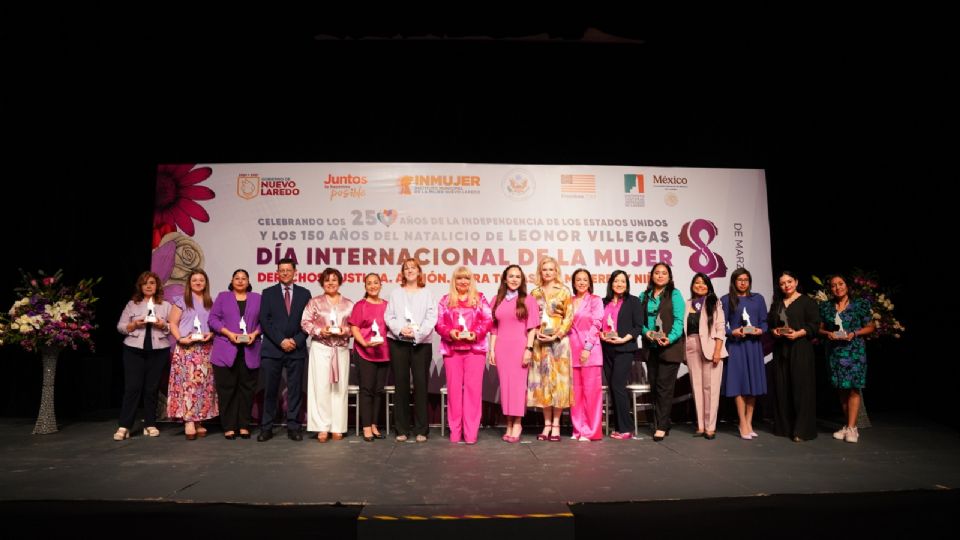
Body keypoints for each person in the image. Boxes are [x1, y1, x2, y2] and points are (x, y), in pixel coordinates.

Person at [435, 266, 493, 444]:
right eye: (459, 278)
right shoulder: (445, 300)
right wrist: (450, 333)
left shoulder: (480, 298)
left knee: (473, 392)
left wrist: (475, 333)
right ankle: (455, 431)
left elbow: (488, 320)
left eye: (466, 278)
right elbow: (439, 324)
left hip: (475, 351)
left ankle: (470, 433)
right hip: (452, 351)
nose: (463, 282)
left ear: (471, 281)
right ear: (454, 281)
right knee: (453, 392)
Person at [114, 271, 173, 440]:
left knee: (151, 388)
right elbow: (120, 327)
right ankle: (124, 426)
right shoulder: (132, 304)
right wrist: (133, 325)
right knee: (132, 387)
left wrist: (162, 325)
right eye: (145, 283)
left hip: (159, 350)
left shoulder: (166, 305)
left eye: (152, 283)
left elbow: (172, 327)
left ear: (157, 286)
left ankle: (150, 424)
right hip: (133, 350)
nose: (148, 286)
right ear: (140, 286)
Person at [257, 258, 311, 442]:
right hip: (273, 349)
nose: (285, 273)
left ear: (295, 272)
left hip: (296, 349)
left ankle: (294, 427)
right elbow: (265, 321)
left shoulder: (304, 293)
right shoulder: (268, 293)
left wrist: (296, 340)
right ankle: (266, 427)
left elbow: (309, 321)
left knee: (295, 390)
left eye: (288, 270)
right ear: (277, 273)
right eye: (282, 270)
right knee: (270, 390)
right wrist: (281, 340)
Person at [384, 258, 437, 442]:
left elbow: (431, 317)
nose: (410, 270)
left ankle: (422, 429)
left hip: (421, 343)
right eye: (406, 268)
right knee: (401, 385)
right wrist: (401, 330)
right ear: (403, 273)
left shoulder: (427, 293)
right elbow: (389, 316)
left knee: (421, 384)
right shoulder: (395, 293)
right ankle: (402, 429)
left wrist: (417, 333)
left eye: (413, 268)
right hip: (398, 342)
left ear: (419, 272)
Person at [817, 274, 875, 443]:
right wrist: (828, 334)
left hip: (854, 351)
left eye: (840, 284)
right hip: (835, 352)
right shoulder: (826, 306)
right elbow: (819, 329)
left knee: (854, 388)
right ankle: (848, 425)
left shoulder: (860, 304)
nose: (837, 287)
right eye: (833, 285)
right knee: (841, 388)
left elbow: (870, 327)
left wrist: (854, 333)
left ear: (847, 286)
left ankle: (852, 428)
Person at [301, 268, 354, 442]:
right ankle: (322, 427)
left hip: (340, 349)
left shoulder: (349, 304)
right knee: (321, 387)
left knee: (339, 388)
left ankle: (338, 427)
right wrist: (319, 331)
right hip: (321, 348)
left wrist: (344, 330)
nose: (330, 283)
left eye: (334, 280)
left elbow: (354, 327)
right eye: (327, 280)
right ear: (322, 283)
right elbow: (305, 322)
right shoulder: (314, 302)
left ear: (340, 282)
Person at [208, 269, 262, 440]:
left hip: (250, 350)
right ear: (232, 281)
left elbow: (264, 321)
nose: (240, 281)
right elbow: (213, 320)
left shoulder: (257, 298)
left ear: (248, 281)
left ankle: (244, 425)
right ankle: (229, 426)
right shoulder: (223, 297)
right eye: (237, 278)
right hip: (225, 350)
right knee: (227, 389)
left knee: (247, 390)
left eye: (243, 278)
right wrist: (228, 333)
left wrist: (255, 333)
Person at [768, 270, 821, 442]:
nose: (786, 285)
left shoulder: (807, 302)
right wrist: (775, 332)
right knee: (782, 387)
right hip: (781, 350)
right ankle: (784, 427)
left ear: (796, 282)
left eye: (789, 281)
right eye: (782, 283)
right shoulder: (777, 304)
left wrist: (798, 333)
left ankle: (802, 430)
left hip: (801, 348)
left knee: (801, 389)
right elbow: (771, 325)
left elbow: (815, 325)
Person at [166, 269, 218, 440]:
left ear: (206, 283)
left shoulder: (211, 302)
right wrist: (180, 338)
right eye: (194, 280)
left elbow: (215, 324)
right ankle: (188, 420)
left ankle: (199, 420)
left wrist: (212, 334)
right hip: (187, 349)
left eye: (201, 280)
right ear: (189, 283)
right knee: (188, 386)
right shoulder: (181, 301)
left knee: (203, 386)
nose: (198, 282)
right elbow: (172, 323)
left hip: (205, 349)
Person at [489, 265, 539, 443]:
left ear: (522, 280)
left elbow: (532, 328)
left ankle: (517, 423)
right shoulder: (496, 299)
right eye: (511, 276)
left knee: (517, 388)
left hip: (520, 348)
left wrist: (529, 349)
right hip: (501, 349)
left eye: (518, 276)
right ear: (505, 279)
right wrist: (491, 350)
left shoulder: (528, 300)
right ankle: (508, 423)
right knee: (506, 387)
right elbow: (493, 328)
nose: (514, 279)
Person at [528, 256, 574, 442]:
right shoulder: (534, 292)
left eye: (551, 269)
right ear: (540, 272)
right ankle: (546, 424)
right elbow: (531, 318)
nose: (547, 272)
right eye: (544, 269)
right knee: (543, 384)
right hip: (540, 343)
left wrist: (557, 334)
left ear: (556, 272)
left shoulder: (564, 291)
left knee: (559, 384)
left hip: (559, 344)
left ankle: (556, 425)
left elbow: (569, 317)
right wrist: (536, 333)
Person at [639, 262, 685, 442]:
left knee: (664, 388)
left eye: (664, 273)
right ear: (651, 276)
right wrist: (647, 333)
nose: (660, 275)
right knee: (654, 387)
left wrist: (670, 338)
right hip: (651, 349)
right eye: (657, 273)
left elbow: (679, 321)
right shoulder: (644, 296)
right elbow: (638, 322)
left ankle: (661, 426)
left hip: (669, 348)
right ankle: (662, 421)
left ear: (669, 276)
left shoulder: (675, 294)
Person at [720, 268, 768, 440]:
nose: (743, 283)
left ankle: (748, 421)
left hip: (753, 346)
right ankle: (742, 421)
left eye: (746, 279)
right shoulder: (726, 299)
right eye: (739, 280)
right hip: (736, 346)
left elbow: (764, 322)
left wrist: (760, 330)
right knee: (739, 384)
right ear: (734, 281)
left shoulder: (758, 298)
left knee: (753, 384)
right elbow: (721, 325)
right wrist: (732, 332)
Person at [599, 269, 643, 440]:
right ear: (611, 284)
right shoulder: (603, 302)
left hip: (625, 348)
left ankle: (626, 428)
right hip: (607, 348)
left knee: (618, 385)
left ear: (627, 284)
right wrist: (601, 334)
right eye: (616, 281)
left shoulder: (633, 301)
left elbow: (638, 326)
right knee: (613, 387)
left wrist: (624, 338)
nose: (619, 284)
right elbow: (598, 324)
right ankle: (619, 427)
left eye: (623, 281)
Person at [683, 273, 728, 440]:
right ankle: (701, 425)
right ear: (692, 285)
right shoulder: (687, 303)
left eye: (703, 283)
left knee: (711, 388)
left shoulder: (714, 302)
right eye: (697, 282)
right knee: (697, 387)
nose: (700, 285)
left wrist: (717, 350)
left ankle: (710, 427)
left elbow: (720, 328)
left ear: (708, 286)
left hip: (711, 347)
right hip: (691, 346)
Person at [348, 273, 390, 442]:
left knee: (379, 391)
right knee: (367, 390)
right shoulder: (361, 305)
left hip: (384, 353)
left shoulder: (387, 305)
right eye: (369, 283)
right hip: (365, 353)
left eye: (376, 283)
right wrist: (365, 344)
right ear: (365, 287)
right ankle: (366, 426)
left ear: (381, 285)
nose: (373, 286)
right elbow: (354, 328)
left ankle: (374, 424)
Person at [569, 268, 605, 441]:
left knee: (591, 394)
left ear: (590, 282)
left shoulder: (595, 300)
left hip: (590, 351)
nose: (582, 282)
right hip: (571, 351)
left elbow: (597, 324)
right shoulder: (568, 301)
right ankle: (578, 430)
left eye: (585, 279)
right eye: (578, 279)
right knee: (575, 395)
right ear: (573, 283)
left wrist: (587, 347)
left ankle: (591, 431)